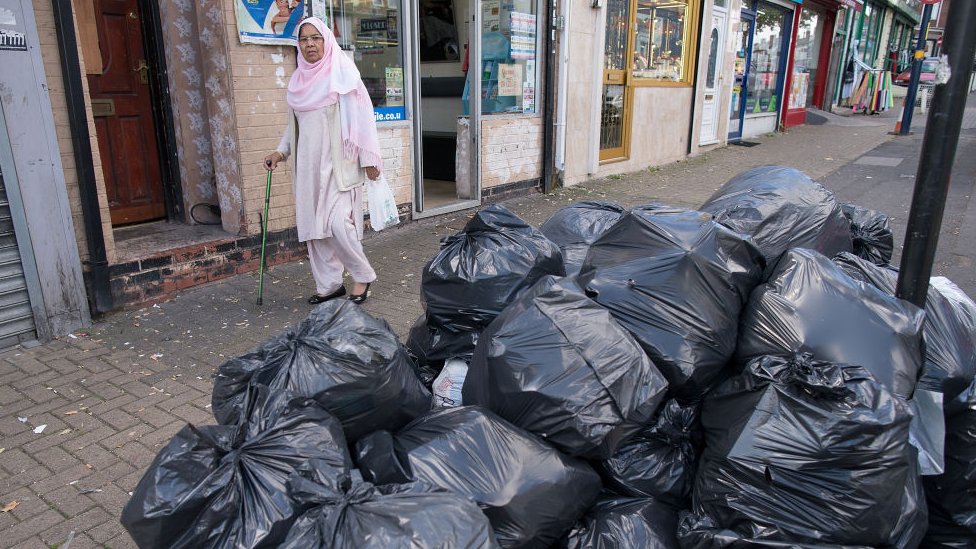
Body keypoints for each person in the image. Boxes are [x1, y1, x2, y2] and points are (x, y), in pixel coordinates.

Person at [264, 17, 381, 305]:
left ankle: (362, 275)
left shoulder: (342, 74)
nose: (310, 44)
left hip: (339, 165)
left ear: (326, 40)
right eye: (304, 39)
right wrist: (280, 152)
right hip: (307, 168)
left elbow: (362, 119)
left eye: (316, 38)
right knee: (314, 231)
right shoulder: (298, 82)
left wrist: (368, 158)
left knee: (339, 224)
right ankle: (329, 285)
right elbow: (294, 126)